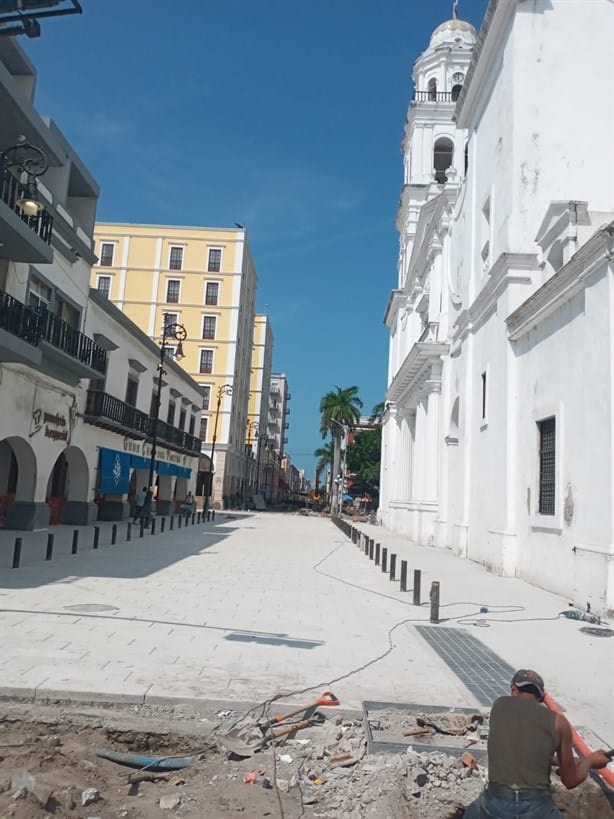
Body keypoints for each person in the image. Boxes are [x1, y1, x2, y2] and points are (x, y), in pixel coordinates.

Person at [464, 669, 611, 818]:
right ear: (541, 698)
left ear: (513, 688)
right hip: (537, 808)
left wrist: (559, 762)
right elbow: (570, 781)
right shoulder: (559, 723)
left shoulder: (499, 705)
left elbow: (518, 745)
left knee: (469, 814)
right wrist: (590, 762)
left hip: (495, 801)